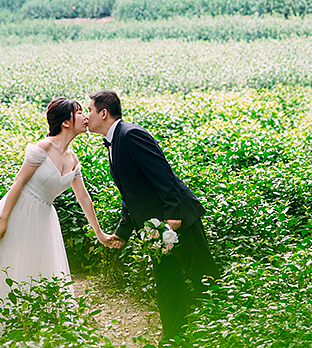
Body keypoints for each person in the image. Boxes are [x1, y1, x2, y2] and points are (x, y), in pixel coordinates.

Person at [0, 97, 111, 339]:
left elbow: (84, 199)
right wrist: (3, 219)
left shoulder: (73, 159)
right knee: (11, 268)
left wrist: (99, 233)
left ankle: (35, 332)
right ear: (66, 122)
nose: (85, 117)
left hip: (44, 218)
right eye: (79, 113)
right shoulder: (42, 148)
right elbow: (18, 183)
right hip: (20, 212)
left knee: (38, 272)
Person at [87, 89, 220, 342]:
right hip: (155, 228)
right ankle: (174, 336)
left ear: (103, 113)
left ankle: (226, 329)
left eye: (89, 110)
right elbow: (132, 194)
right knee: (167, 282)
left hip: (179, 220)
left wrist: (173, 215)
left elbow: (163, 174)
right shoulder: (114, 143)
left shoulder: (131, 134)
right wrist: (123, 232)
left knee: (202, 274)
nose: (86, 116)